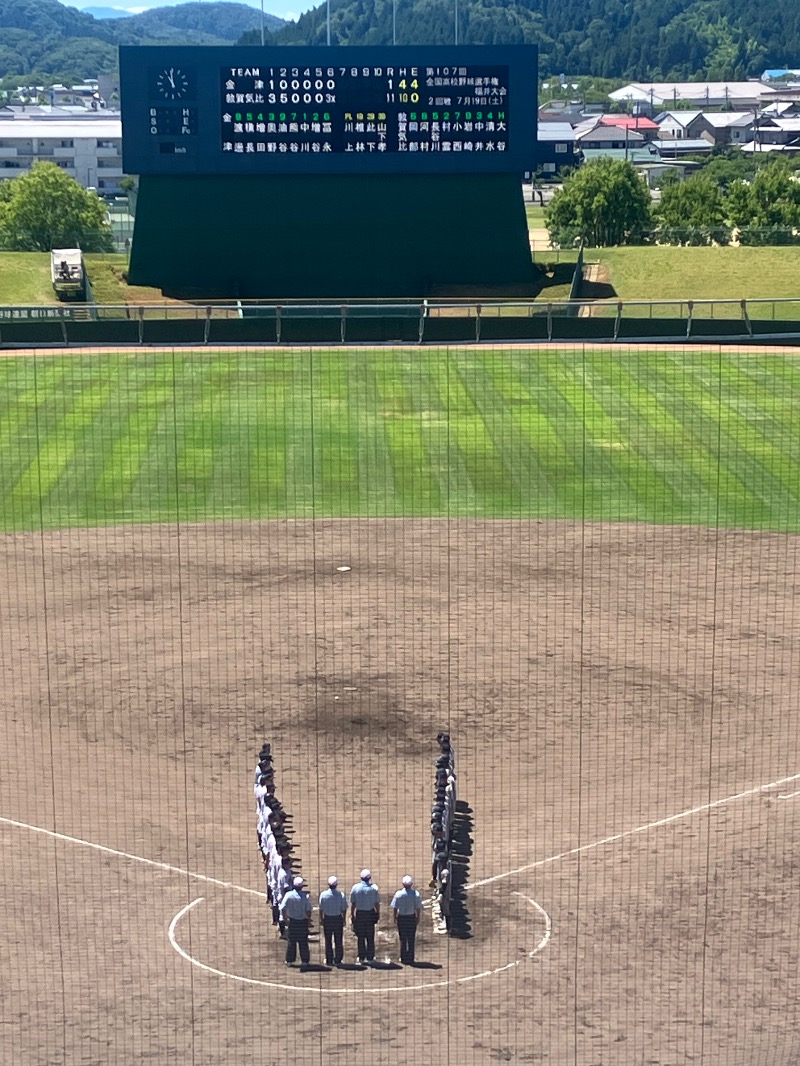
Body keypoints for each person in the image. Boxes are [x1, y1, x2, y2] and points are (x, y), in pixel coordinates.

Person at [280, 875, 312, 970]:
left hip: (292, 921)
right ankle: (305, 961)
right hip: (302, 922)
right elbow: (308, 910)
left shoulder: (289, 895)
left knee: (291, 942)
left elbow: (282, 908)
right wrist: (308, 919)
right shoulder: (304, 897)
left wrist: (285, 919)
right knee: (303, 942)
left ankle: (290, 960)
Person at [349, 869, 380, 964]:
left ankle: (361, 957)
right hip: (370, 914)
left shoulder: (355, 888)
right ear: (369, 878)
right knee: (370, 936)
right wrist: (377, 913)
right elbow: (376, 903)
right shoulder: (374, 888)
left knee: (361, 936)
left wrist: (352, 914)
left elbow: (353, 903)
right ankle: (370, 957)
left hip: (360, 914)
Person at [391, 875, 422, 964]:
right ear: (411, 884)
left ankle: (403, 958)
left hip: (402, 918)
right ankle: (411, 958)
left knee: (403, 938)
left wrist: (394, 917)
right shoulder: (415, 894)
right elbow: (418, 907)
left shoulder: (398, 894)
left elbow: (395, 907)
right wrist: (418, 917)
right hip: (411, 917)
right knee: (411, 938)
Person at [318, 875, 348, 966]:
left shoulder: (323, 895)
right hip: (337, 919)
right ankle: (338, 959)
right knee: (338, 940)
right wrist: (343, 919)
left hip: (328, 919)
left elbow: (321, 909)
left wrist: (321, 919)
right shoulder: (341, 895)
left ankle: (329, 960)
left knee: (328, 940)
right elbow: (344, 909)